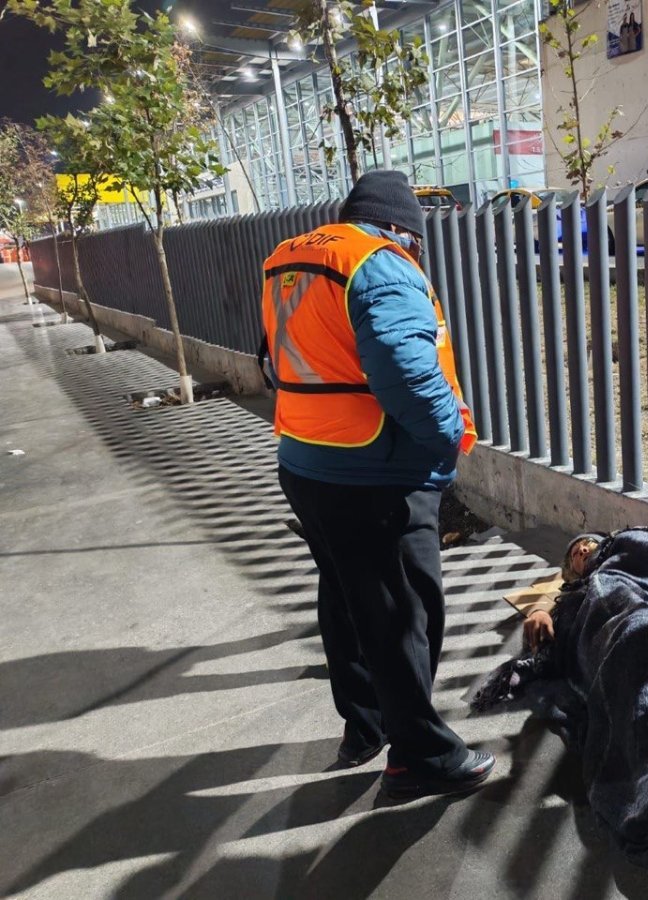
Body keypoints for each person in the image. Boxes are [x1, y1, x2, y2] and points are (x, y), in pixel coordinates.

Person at [261, 169, 495, 799]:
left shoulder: (291, 259)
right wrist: (448, 433)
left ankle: (363, 725)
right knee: (402, 613)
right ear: (402, 229)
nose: (415, 254)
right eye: (415, 242)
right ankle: (418, 755)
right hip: (375, 473)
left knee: (345, 595)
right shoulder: (382, 264)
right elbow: (405, 372)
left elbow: (272, 357)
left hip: (305, 462)